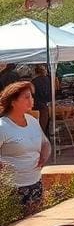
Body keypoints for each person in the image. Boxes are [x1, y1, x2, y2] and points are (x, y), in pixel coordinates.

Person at [0, 81, 51, 215]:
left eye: (31, 97)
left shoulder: (32, 121)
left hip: (35, 183)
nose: (31, 100)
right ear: (13, 101)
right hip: (11, 189)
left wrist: (45, 155)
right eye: (26, 97)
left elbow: (45, 142)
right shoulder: (2, 127)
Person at [30, 65, 52, 137]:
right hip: (45, 104)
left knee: (39, 125)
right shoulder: (48, 79)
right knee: (44, 125)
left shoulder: (33, 81)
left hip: (36, 105)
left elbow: (32, 93)